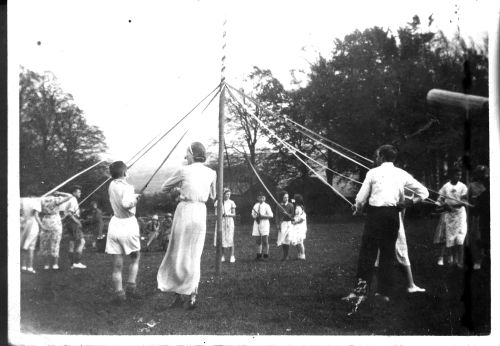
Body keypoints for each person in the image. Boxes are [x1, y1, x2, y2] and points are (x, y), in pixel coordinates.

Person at [346, 144, 429, 303]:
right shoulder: (401, 173)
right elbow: (424, 192)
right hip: (392, 215)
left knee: (367, 253)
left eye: (377, 156)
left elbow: (360, 197)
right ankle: (383, 293)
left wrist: (357, 209)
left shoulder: (373, 172)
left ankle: (360, 293)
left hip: (375, 215)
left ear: (382, 157)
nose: (376, 158)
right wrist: (408, 203)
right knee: (387, 254)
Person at [157, 142, 216, 310]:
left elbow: (164, 187)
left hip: (185, 211)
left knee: (178, 253)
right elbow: (212, 195)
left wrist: (178, 190)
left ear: (192, 154)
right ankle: (192, 295)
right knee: (194, 254)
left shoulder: (184, 170)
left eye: (187, 154)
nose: (185, 157)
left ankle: (179, 295)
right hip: (200, 211)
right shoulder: (212, 172)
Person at [105, 161, 142, 305]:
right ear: (125, 173)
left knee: (117, 263)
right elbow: (127, 204)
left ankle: (119, 294)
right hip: (127, 224)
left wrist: (133, 197)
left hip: (115, 224)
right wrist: (135, 200)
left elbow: (121, 199)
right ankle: (131, 288)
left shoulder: (111, 185)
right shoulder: (128, 187)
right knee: (135, 256)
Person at [435, 168, 468, 268]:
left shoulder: (463, 186)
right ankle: (451, 258)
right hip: (449, 214)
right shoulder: (446, 186)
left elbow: (465, 200)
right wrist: (444, 205)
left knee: (460, 237)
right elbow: (439, 200)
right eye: (456, 175)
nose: (458, 177)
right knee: (450, 237)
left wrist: (459, 204)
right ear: (451, 175)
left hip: (460, 214)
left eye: (459, 175)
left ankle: (460, 261)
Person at [38, 191, 74, 270]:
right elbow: (70, 195)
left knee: (45, 242)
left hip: (45, 220)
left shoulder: (41, 199)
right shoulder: (56, 199)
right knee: (55, 242)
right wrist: (60, 192)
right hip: (55, 220)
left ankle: (46, 264)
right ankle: (55, 264)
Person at [467, 165, 489, 270]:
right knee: (476, 237)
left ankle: (487, 255)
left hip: (487, 214)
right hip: (477, 215)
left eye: (485, 173)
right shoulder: (472, 185)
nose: (484, 176)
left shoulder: (489, 184)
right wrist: (472, 203)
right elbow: (466, 199)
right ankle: (477, 260)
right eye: (481, 173)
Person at [62, 185, 87, 269]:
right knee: (82, 242)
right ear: (74, 193)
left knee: (71, 243)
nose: (80, 193)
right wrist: (77, 221)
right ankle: (77, 262)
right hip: (73, 222)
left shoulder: (70, 198)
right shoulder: (73, 200)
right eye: (79, 191)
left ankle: (72, 264)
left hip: (69, 223)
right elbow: (70, 213)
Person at [213, 188, 237, 263]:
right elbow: (216, 213)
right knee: (222, 238)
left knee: (230, 238)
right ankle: (222, 255)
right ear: (223, 194)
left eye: (229, 194)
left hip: (229, 221)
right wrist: (221, 214)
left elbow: (234, 214)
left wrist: (228, 214)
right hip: (221, 221)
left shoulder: (232, 202)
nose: (228, 196)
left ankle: (232, 256)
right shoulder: (218, 202)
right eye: (226, 194)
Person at [20, 195, 42, 273]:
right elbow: (36, 215)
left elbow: (20, 212)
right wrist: (42, 225)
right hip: (33, 224)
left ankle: (23, 266)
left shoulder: (22, 200)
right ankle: (30, 267)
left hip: (24, 223)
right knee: (31, 246)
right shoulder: (36, 202)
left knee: (24, 245)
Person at [251, 192, 274, 260]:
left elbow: (271, 215)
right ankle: (259, 255)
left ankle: (266, 255)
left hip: (264, 223)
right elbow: (252, 214)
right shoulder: (255, 205)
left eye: (263, 197)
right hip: (257, 223)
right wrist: (255, 217)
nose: (261, 199)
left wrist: (263, 216)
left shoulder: (267, 206)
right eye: (260, 197)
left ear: (265, 198)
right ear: (257, 198)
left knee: (265, 240)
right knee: (258, 240)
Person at [275, 191, 295, 261]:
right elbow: (277, 215)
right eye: (285, 197)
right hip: (282, 224)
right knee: (282, 240)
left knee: (288, 239)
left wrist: (288, 214)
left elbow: (293, 216)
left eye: (287, 197)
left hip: (289, 224)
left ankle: (286, 255)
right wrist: (277, 224)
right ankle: (284, 255)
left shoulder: (291, 205)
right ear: (282, 198)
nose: (286, 199)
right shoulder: (279, 205)